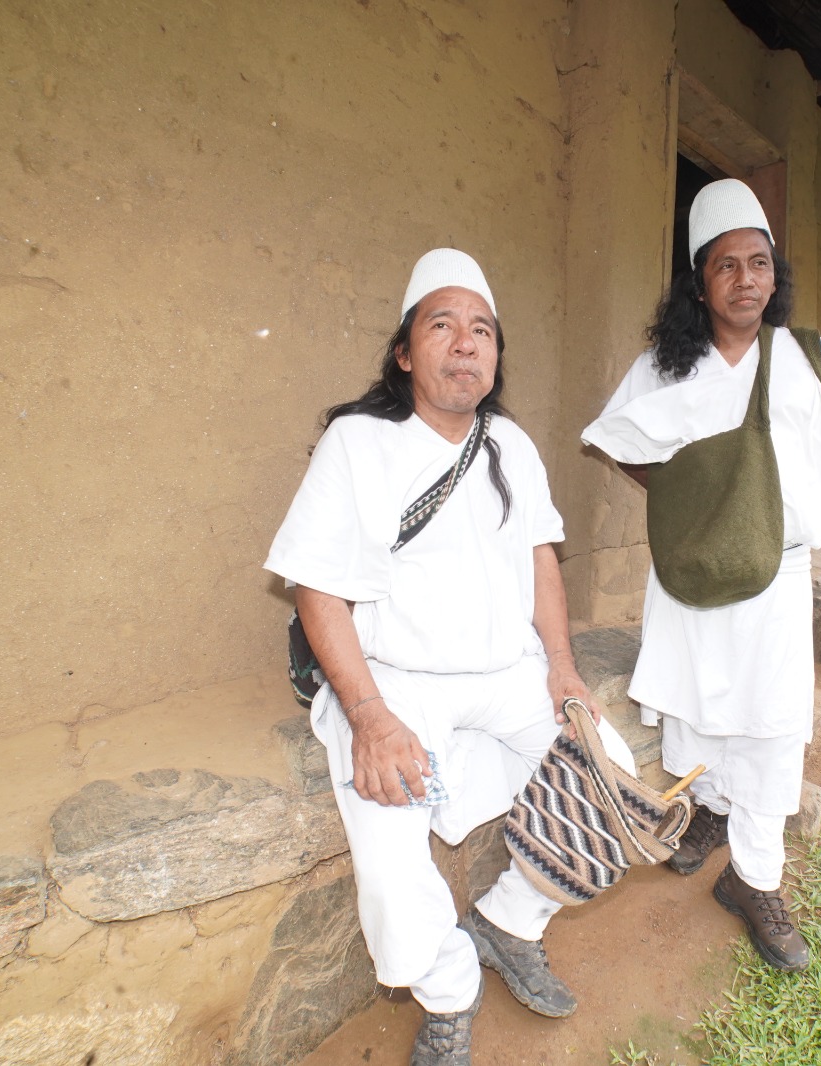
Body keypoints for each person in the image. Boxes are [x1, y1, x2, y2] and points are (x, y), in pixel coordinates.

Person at [265, 248, 635, 1066]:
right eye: (443, 325)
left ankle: (509, 921)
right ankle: (448, 988)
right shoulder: (357, 443)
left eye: (482, 330)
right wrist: (368, 716)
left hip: (508, 671)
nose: (466, 342)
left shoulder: (513, 446)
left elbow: (541, 560)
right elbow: (316, 590)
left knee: (613, 779)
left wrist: (562, 669)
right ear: (404, 352)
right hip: (393, 681)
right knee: (391, 860)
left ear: (495, 354)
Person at [582, 179, 821, 973]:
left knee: (771, 727)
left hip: (776, 574)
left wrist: (772, 510)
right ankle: (707, 811)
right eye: (725, 265)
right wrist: (685, 500)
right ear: (699, 283)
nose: (744, 278)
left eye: (758, 262)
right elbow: (615, 439)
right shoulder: (667, 366)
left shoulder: (807, 359)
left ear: (775, 274)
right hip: (694, 572)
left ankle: (755, 880)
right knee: (698, 708)